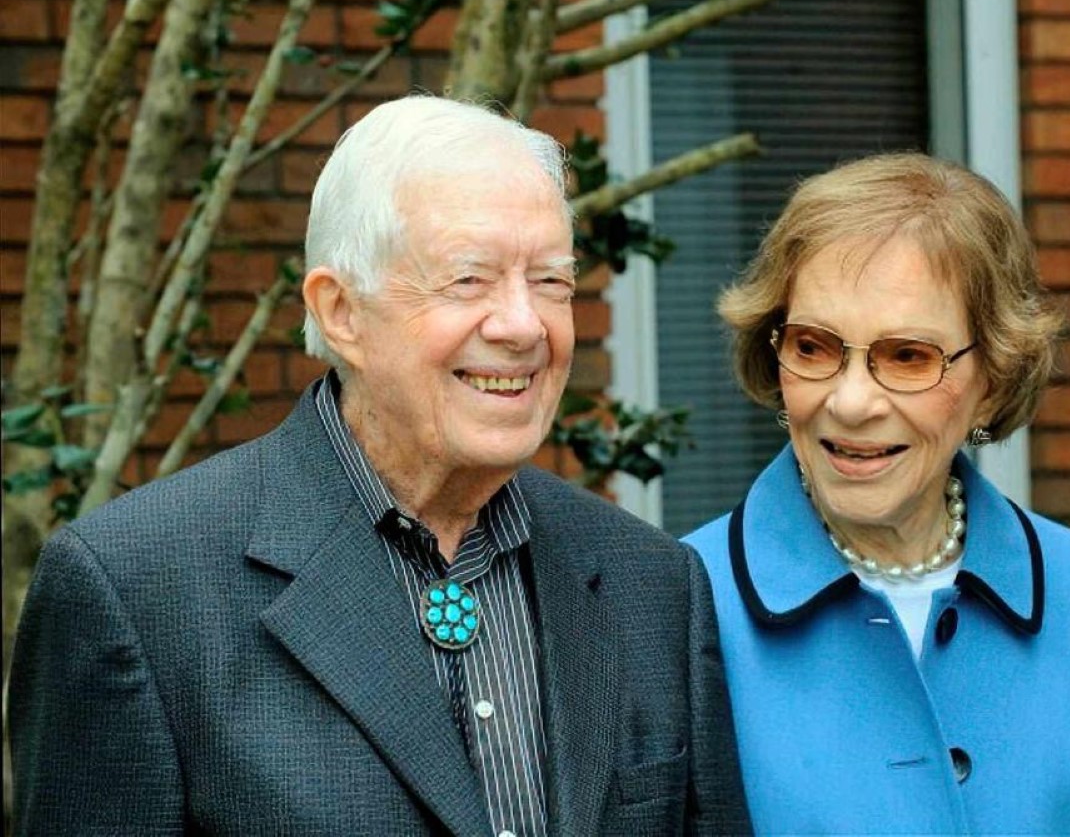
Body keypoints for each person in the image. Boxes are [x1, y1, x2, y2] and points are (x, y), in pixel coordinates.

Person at [10, 96, 751, 836]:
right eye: (469, 279)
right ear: (341, 312)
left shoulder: (653, 584)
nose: (525, 324)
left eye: (551, 280)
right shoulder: (138, 589)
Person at [685, 152, 1070, 835]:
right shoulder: (679, 605)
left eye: (907, 357)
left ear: (994, 379)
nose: (852, 401)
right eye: (814, 346)